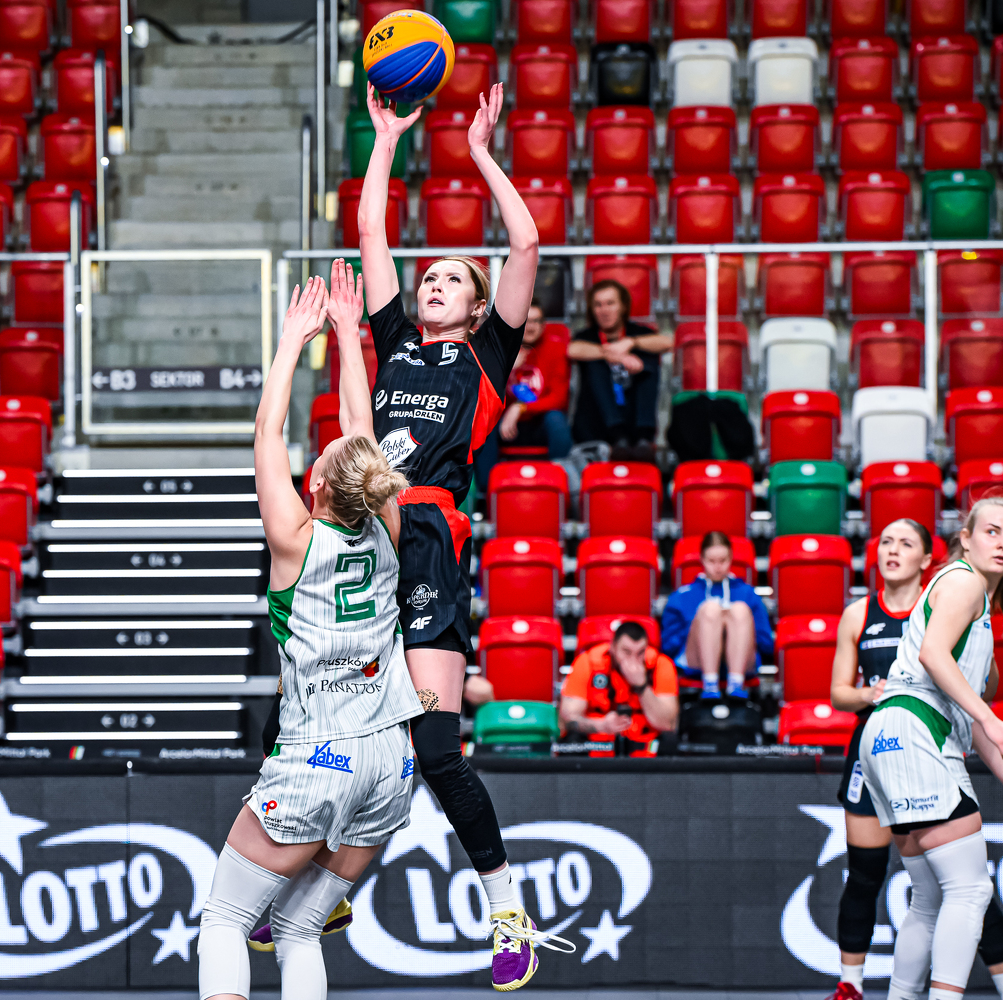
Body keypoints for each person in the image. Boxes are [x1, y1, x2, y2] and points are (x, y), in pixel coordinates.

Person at [355, 79, 571, 990]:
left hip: (430, 542)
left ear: (479, 309)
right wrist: (386, 140)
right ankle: (331, 875)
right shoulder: (396, 343)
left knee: (435, 750)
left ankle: (508, 910)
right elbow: (371, 237)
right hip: (360, 535)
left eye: (452, 278)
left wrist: (481, 153)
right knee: (340, 735)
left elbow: (526, 245)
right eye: (430, 276)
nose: (434, 282)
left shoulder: (484, 356)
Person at [200, 274, 423, 1000]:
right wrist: (350, 338)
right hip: (390, 759)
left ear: (319, 485)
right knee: (297, 928)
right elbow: (362, 432)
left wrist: (293, 341)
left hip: (316, 755)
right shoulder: (388, 526)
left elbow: (267, 433)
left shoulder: (294, 541)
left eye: (322, 457)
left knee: (226, 918)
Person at [858, 497, 1003, 1000]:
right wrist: (991, 717)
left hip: (888, 734)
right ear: (965, 538)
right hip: (916, 730)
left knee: (928, 899)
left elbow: (970, 715)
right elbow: (933, 656)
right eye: (992, 531)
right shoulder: (964, 582)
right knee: (970, 889)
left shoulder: (977, 609)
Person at [473, 300, 571, 503]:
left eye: (536, 321)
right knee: (484, 422)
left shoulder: (555, 348)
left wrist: (521, 408)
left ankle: (563, 486)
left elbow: (558, 398)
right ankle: (487, 495)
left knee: (556, 419)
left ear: (544, 325)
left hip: (540, 424)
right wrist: (507, 369)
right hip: (504, 428)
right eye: (526, 321)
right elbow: (482, 396)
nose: (531, 327)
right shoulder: (499, 349)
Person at [566, 279, 673, 460]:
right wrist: (616, 356)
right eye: (598, 305)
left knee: (648, 360)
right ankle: (618, 436)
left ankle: (644, 437)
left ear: (623, 306)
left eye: (610, 303)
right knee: (595, 363)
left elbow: (666, 343)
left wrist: (631, 342)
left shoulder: (637, 332)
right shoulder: (586, 336)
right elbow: (572, 350)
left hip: (634, 422)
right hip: (596, 422)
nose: (604, 310)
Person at [660, 531, 774, 699]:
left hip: (742, 663)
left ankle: (736, 684)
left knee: (740, 609)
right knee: (710, 609)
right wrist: (702, 627)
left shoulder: (748, 594)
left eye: (723, 560)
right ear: (702, 559)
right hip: (696, 662)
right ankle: (710, 684)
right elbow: (668, 647)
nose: (718, 567)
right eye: (711, 561)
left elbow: (766, 645)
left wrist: (733, 630)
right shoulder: (682, 596)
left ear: (731, 558)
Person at [558, 620, 679, 756]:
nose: (633, 660)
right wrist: (601, 725)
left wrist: (642, 687)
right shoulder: (587, 662)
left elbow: (667, 724)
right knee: (571, 741)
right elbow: (568, 719)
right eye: (627, 652)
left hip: (646, 747)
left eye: (640, 653)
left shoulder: (661, 664)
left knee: (670, 741)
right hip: (598, 746)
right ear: (613, 647)